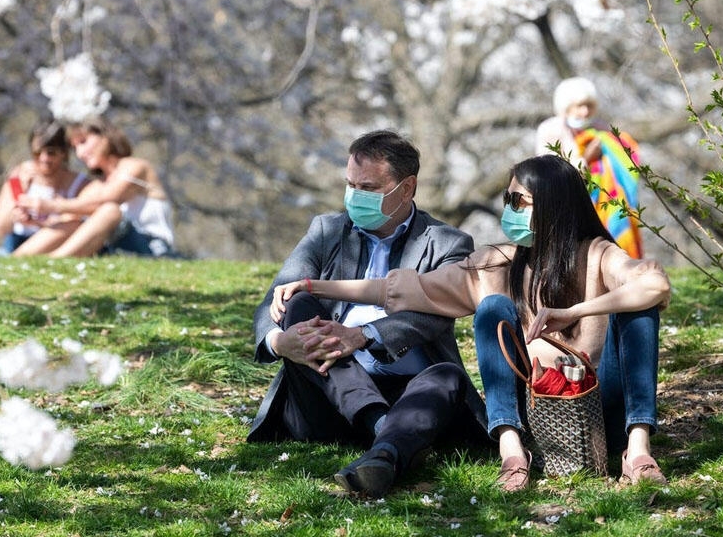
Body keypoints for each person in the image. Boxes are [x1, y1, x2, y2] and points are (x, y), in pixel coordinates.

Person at [271, 155, 671, 492]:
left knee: (640, 309)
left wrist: (575, 312)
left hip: (600, 409)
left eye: (519, 200)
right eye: (506, 199)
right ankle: (512, 451)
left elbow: (654, 283)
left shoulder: (599, 255)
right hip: (535, 410)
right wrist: (311, 284)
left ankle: (637, 450)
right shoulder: (497, 262)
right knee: (492, 307)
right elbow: (402, 289)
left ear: (553, 205)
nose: (508, 209)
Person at [248, 129, 488, 498]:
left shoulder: (447, 243)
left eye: (369, 187)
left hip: (409, 393)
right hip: (328, 391)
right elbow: (275, 300)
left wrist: (361, 336)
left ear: (406, 189)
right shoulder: (325, 230)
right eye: (350, 184)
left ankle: (384, 455)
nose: (354, 196)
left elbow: (431, 316)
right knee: (299, 303)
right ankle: (386, 431)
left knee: (447, 376)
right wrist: (280, 342)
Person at [13, 117, 175, 258]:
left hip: (151, 247)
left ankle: (55, 260)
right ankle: (17, 259)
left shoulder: (136, 167)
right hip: (111, 248)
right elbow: (69, 221)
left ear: (105, 137)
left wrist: (52, 205)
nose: (80, 153)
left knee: (110, 210)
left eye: (83, 142)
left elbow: (110, 199)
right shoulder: (96, 186)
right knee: (75, 223)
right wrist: (35, 222)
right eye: (75, 148)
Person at [536, 77, 643, 258]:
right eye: (578, 106)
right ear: (566, 106)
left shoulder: (601, 128)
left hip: (606, 204)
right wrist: (586, 158)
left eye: (589, 106)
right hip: (568, 207)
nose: (584, 112)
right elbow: (549, 173)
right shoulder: (550, 130)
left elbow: (622, 158)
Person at [0, 120, 91, 254]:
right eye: (37, 152)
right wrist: (18, 199)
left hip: (57, 246)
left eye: (51, 152)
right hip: (17, 242)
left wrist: (40, 222)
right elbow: (0, 228)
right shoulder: (21, 174)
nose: (44, 158)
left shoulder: (79, 184)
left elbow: (76, 225)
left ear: (64, 153)